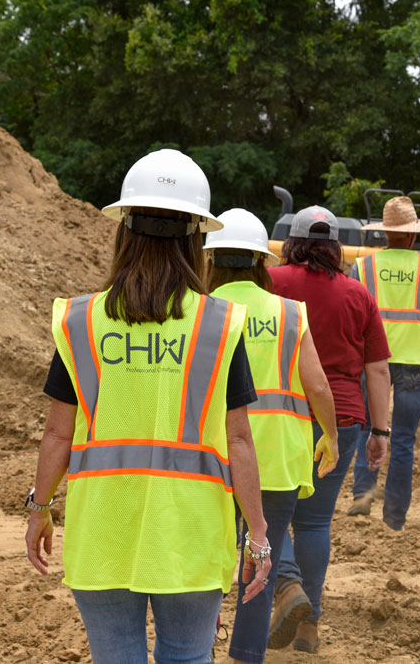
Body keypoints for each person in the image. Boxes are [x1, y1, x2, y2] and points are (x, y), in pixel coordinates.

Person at [24, 149, 271, 664]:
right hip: (190, 534)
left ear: (124, 230)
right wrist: (260, 536)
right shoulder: (217, 325)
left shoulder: (81, 321)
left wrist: (41, 507)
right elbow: (240, 440)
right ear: (196, 239)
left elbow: (57, 435)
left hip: (103, 530)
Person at [202, 208, 340, 664]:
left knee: (209, 562)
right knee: (261, 565)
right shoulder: (288, 312)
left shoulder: (203, 312)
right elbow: (318, 384)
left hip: (213, 457)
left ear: (212, 260)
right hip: (277, 457)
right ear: (263, 262)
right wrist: (332, 437)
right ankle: (245, 655)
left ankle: (196, 647)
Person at [266, 205, 392, 653]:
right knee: (315, 522)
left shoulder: (271, 283)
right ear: (336, 246)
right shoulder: (359, 294)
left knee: (265, 513)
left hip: (280, 414)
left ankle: (285, 587)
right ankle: (308, 627)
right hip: (342, 418)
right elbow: (378, 371)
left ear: (291, 243)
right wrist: (381, 431)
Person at [348, 196, 420, 529]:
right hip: (413, 362)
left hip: (369, 361)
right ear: (412, 235)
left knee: (369, 427)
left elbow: (351, 319)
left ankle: (362, 498)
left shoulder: (362, 267)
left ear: (386, 234)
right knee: (404, 439)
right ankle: (394, 516)